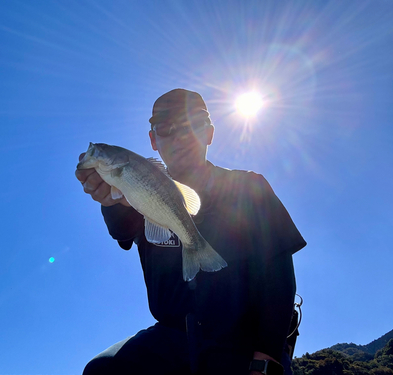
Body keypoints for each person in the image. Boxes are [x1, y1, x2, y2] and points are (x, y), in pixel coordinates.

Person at [75, 89, 306, 375]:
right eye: (165, 128)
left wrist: (266, 358)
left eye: (192, 125)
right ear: (153, 140)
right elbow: (122, 230)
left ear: (209, 133)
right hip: (171, 338)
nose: (180, 136)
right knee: (102, 371)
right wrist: (109, 199)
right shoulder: (134, 194)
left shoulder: (250, 187)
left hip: (245, 341)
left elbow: (279, 275)